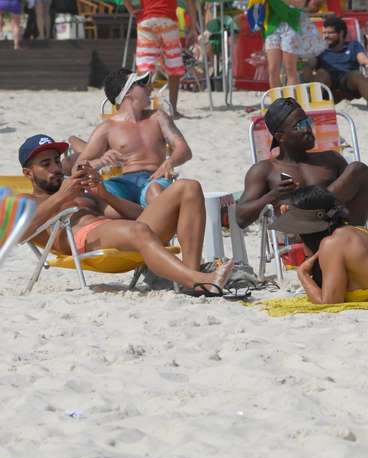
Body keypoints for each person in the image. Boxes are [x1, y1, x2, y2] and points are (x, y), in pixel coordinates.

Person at [17, 134, 234, 294]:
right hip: (84, 239)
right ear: (28, 173)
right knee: (139, 230)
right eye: (46, 164)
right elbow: (19, 234)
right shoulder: (26, 201)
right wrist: (61, 197)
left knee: (189, 187)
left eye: (56, 161)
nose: (55, 168)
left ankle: (192, 273)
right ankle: (198, 280)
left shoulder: (76, 191)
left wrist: (104, 194)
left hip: (120, 232)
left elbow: (139, 214)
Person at [237, 97, 368, 228]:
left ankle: (318, 209)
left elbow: (356, 200)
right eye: (299, 126)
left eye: (307, 122)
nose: (308, 129)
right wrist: (272, 195)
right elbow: (240, 218)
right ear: (280, 136)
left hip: (340, 234)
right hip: (301, 236)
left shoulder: (331, 159)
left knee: (358, 170)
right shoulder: (265, 170)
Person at [75, 68, 192, 208]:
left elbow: (184, 149)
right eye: (142, 83)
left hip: (154, 179)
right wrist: (101, 161)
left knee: (155, 192)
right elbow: (77, 167)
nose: (150, 88)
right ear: (128, 92)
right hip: (122, 182)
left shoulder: (157, 117)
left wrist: (169, 163)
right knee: (97, 198)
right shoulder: (107, 128)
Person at [123, 0, 197, 118]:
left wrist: (131, 10)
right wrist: (193, 28)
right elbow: (191, 3)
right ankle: (173, 110)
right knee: (174, 67)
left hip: (146, 20)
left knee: (145, 67)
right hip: (168, 20)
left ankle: (142, 109)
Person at [301, 15, 368, 111]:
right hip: (327, 85)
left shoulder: (353, 46)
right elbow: (310, 65)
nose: (326, 36)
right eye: (324, 33)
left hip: (348, 83)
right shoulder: (320, 48)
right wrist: (307, 65)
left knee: (356, 74)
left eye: (330, 33)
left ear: (341, 33)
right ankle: (311, 108)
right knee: (321, 73)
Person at [263, 0, 324, 88]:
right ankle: (277, 100)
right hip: (272, 28)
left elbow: (307, 6)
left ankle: (290, 100)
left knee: (290, 70)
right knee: (273, 70)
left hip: (291, 26)